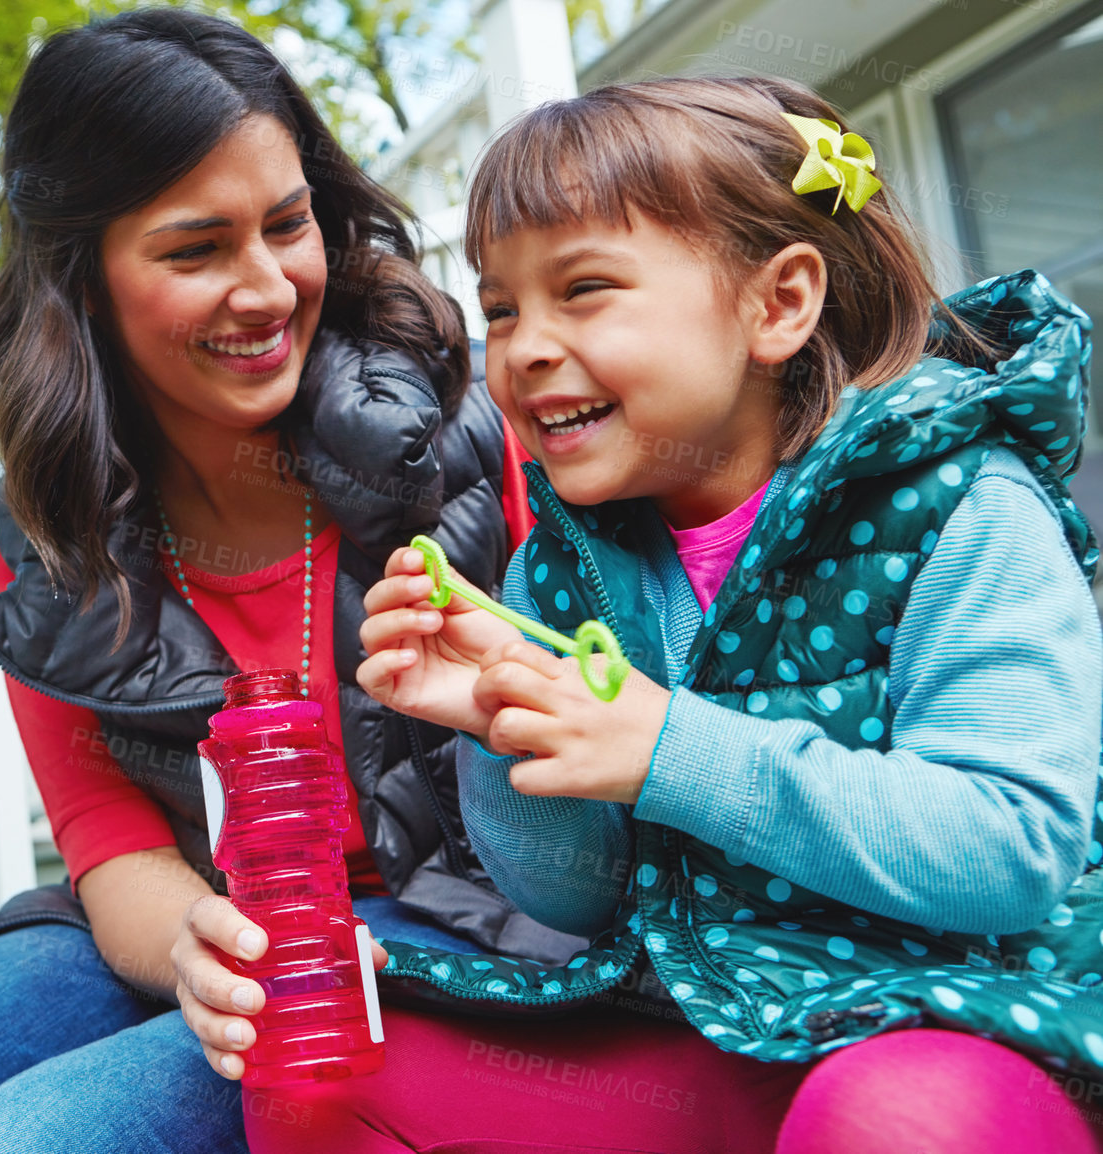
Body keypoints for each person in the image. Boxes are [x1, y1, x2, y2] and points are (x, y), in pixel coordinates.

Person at [0, 9, 554, 1152]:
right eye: (195, 250)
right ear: (85, 280)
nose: (265, 289)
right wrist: (202, 937)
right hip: (190, 915)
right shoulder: (54, 536)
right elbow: (111, 844)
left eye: (286, 224)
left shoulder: (471, 436)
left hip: (451, 905)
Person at [239, 77, 1103, 1153]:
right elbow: (573, 900)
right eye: (500, 306)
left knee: (895, 1125)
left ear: (777, 303)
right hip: (713, 1026)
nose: (523, 348)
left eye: (585, 288)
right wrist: (504, 726)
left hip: (968, 1025)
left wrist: (667, 748)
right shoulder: (568, 560)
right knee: (325, 1075)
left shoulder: (963, 508)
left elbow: (1012, 849)